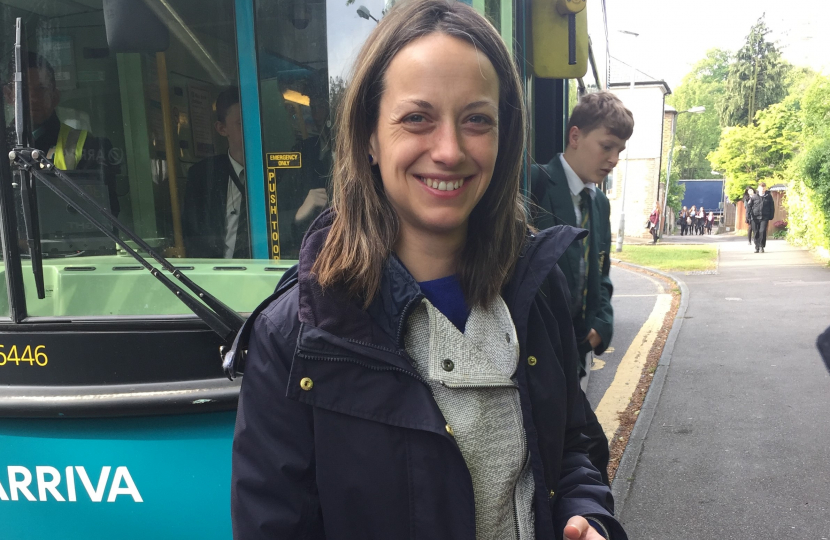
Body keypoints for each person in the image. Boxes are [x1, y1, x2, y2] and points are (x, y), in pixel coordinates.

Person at [230, 2, 627, 539]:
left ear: (503, 137)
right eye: (417, 118)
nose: (450, 150)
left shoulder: (534, 288)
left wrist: (586, 514)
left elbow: (572, 444)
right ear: (369, 135)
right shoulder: (299, 336)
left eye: (476, 120)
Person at [530, 91, 632, 488]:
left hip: (580, 349)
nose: (613, 159)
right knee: (560, 443)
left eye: (620, 151)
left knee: (572, 442)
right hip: (542, 348)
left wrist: (600, 325)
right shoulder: (536, 182)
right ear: (575, 136)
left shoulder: (599, 205)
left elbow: (602, 274)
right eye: (607, 146)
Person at [182, 86, 330, 258]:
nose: (251, 130)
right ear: (222, 129)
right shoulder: (203, 177)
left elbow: (297, 238)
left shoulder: (284, 171)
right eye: (241, 123)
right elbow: (193, 238)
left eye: (255, 122)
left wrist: (296, 216)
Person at [4, 52, 120, 217]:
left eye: (41, 89)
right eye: (23, 90)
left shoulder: (87, 146)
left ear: (55, 96)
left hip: (69, 241)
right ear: (9, 95)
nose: (33, 98)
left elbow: (105, 216)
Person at [748, 181, 775, 253]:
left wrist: (771, 215)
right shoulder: (754, 197)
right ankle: (756, 246)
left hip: (764, 217)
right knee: (756, 232)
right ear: (758, 189)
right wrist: (748, 216)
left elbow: (772, 206)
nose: (762, 190)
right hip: (755, 217)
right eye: (761, 188)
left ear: (765, 189)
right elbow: (749, 207)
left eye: (763, 189)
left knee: (762, 231)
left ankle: (761, 246)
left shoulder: (768, 196)